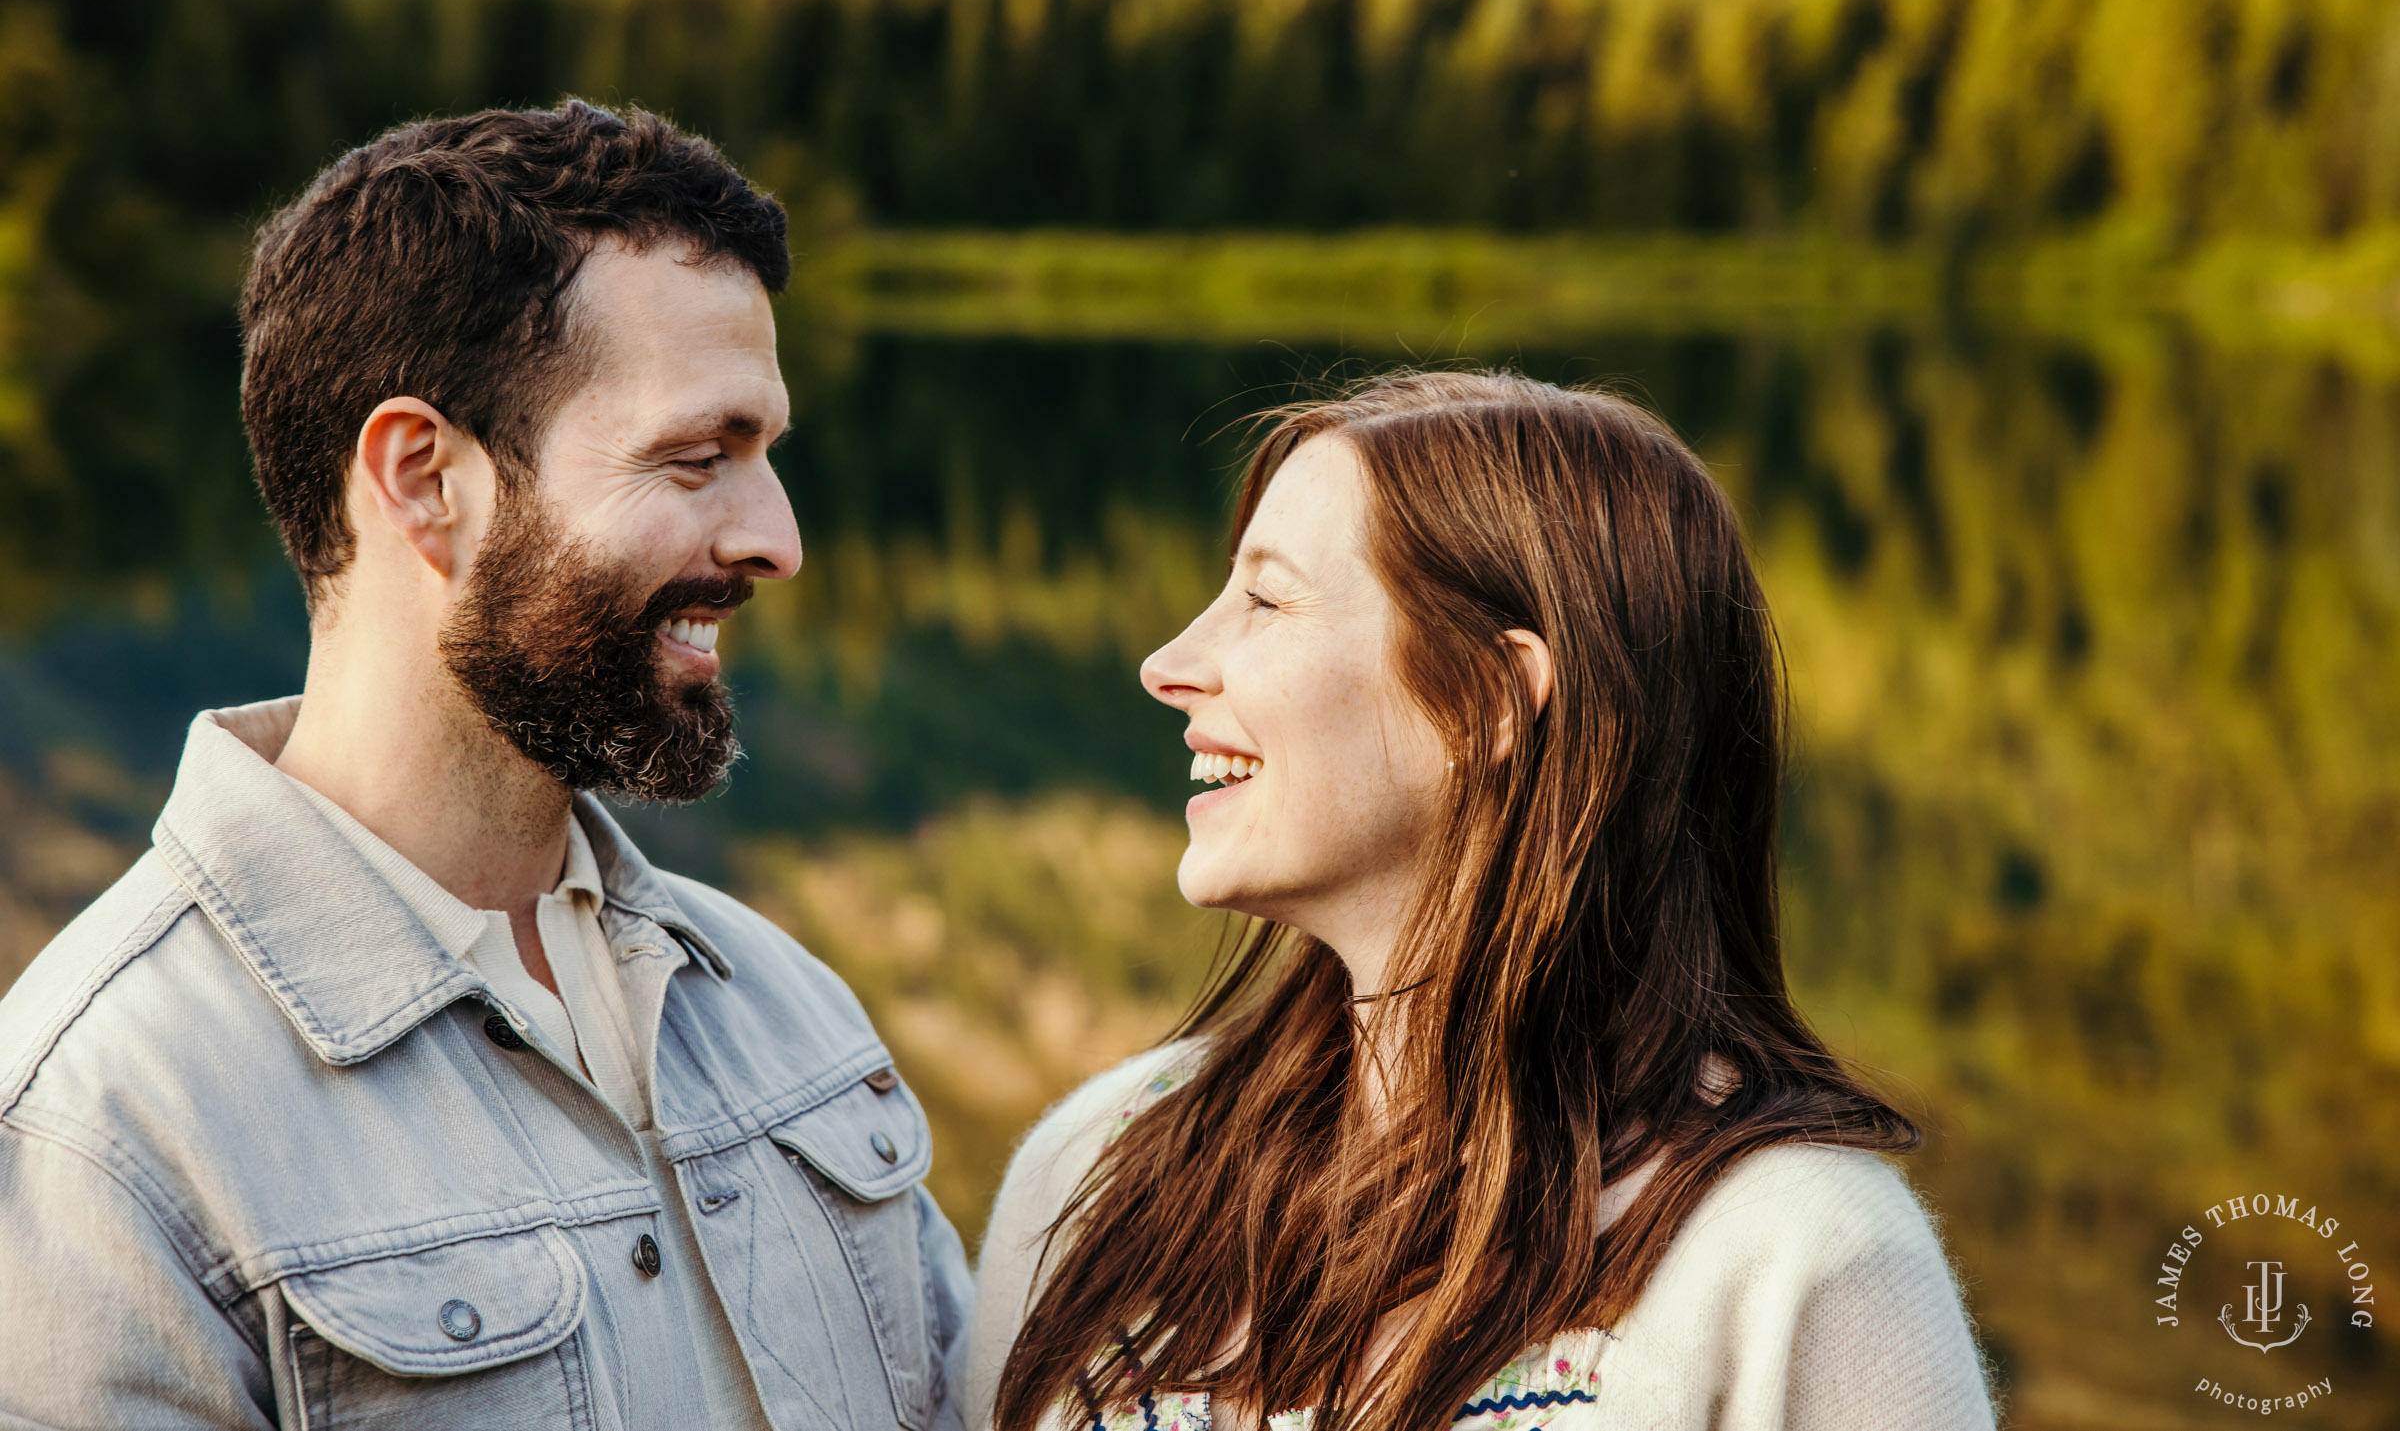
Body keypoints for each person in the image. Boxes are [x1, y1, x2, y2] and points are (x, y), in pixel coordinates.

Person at [0, 101, 969, 1429]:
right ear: (421, 479)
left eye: (766, 457)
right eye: (700, 457)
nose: (777, 539)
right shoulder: (102, 1126)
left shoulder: (793, 1017)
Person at [967, 371, 1995, 1431]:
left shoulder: (1800, 1260)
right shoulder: (1098, 1168)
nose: (1170, 663)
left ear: (1489, 698)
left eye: (1266, 599)